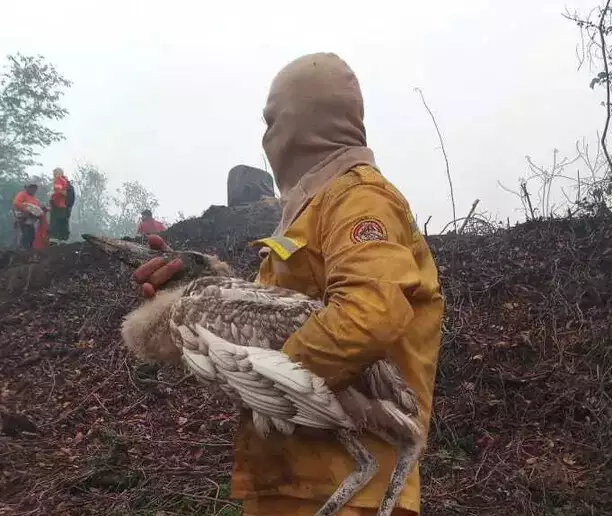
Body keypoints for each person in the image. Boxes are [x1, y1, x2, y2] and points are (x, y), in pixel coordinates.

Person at [129, 53, 444, 515]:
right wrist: (205, 288)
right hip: (296, 482)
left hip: (348, 489)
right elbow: (284, 315)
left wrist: (269, 379)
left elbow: (369, 315)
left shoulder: (358, 199)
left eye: (272, 122)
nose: (267, 139)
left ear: (301, 124)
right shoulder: (309, 208)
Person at [13, 179, 46, 249]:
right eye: (31, 188)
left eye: (34, 188)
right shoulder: (22, 194)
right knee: (24, 235)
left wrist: (42, 209)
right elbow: (16, 203)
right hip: (22, 218)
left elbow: (37, 210)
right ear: (27, 188)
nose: (33, 190)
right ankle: (22, 250)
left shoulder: (35, 199)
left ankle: (29, 250)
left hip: (30, 220)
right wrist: (27, 209)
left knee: (32, 236)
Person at [49, 167, 72, 245]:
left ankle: (54, 242)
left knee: (55, 224)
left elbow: (59, 191)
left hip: (58, 205)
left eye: (55, 173)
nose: (54, 175)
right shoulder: (66, 182)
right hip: (65, 207)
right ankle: (63, 241)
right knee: (63, 224)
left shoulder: (58, 179)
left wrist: (52, 195)